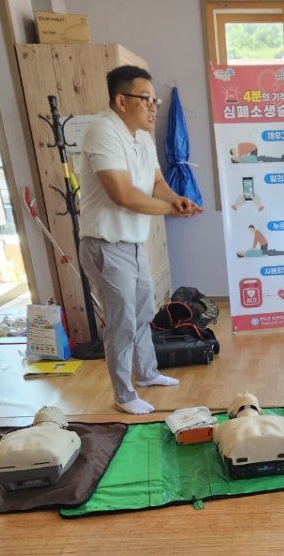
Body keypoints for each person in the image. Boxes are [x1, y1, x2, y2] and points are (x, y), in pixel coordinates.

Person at [79, 65, 202, 416]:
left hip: (132, 244)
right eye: (146, 99)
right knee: (121, 321)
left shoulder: (142, 138)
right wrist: (168, 209)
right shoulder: (103, 132)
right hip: (105, 245)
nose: (153, 107)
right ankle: (123, 393)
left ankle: (146, 373)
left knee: (143, 312)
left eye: (155, 100)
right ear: (121, 100)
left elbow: (156, 185)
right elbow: (122, 194)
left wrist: (174, 199)